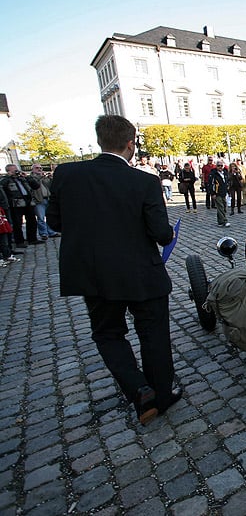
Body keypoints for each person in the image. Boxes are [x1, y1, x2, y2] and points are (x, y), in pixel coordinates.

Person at [46, 115, 181, 425]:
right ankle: (161, 393)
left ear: (99, 141)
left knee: (108, 335)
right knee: (154, 334)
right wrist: (169, 234)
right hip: (141, 273)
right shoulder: (145, 181)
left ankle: (138, 389)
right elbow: (161, 233)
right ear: (131, 144)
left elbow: (54, 222)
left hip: (93, 274)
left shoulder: (67, 174)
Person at [1, 165, 41, 247]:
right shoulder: (6, 179)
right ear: (8, 171)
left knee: (32, 221)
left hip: (28, 202)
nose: (16, 171)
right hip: (16, 204)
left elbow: (36, 186)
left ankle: (32, 239)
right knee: (17, 223)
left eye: (16, 169)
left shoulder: (22, 178)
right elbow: (2, 186)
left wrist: (27, 177)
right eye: (14, 170)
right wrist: (9, 176)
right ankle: (19, 241)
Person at [29, 164, 60, 240]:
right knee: (41, 218)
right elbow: (35, 185)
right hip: (39, 199)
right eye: (37, 168)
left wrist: (50, 178)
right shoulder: (31, 178)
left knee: (49, 216)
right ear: (32, 169)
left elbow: (50, 185)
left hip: (47, 198)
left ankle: (51, 232)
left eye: (40, 168)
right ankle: (43, 233)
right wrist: (40, 177)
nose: (39, 169)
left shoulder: (44, 177)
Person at [208, 160, 230, 227]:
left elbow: (227, 182)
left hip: (224, 192)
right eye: (218, 165)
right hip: (217, 193)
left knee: (223, 206)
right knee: (221, 207)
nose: (220, 167)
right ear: (216, 166)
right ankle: (224, 221)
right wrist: (212, 193)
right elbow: (211, 184)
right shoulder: (213, 174)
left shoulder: (225, 173)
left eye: (221, 165)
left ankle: (220, 221)